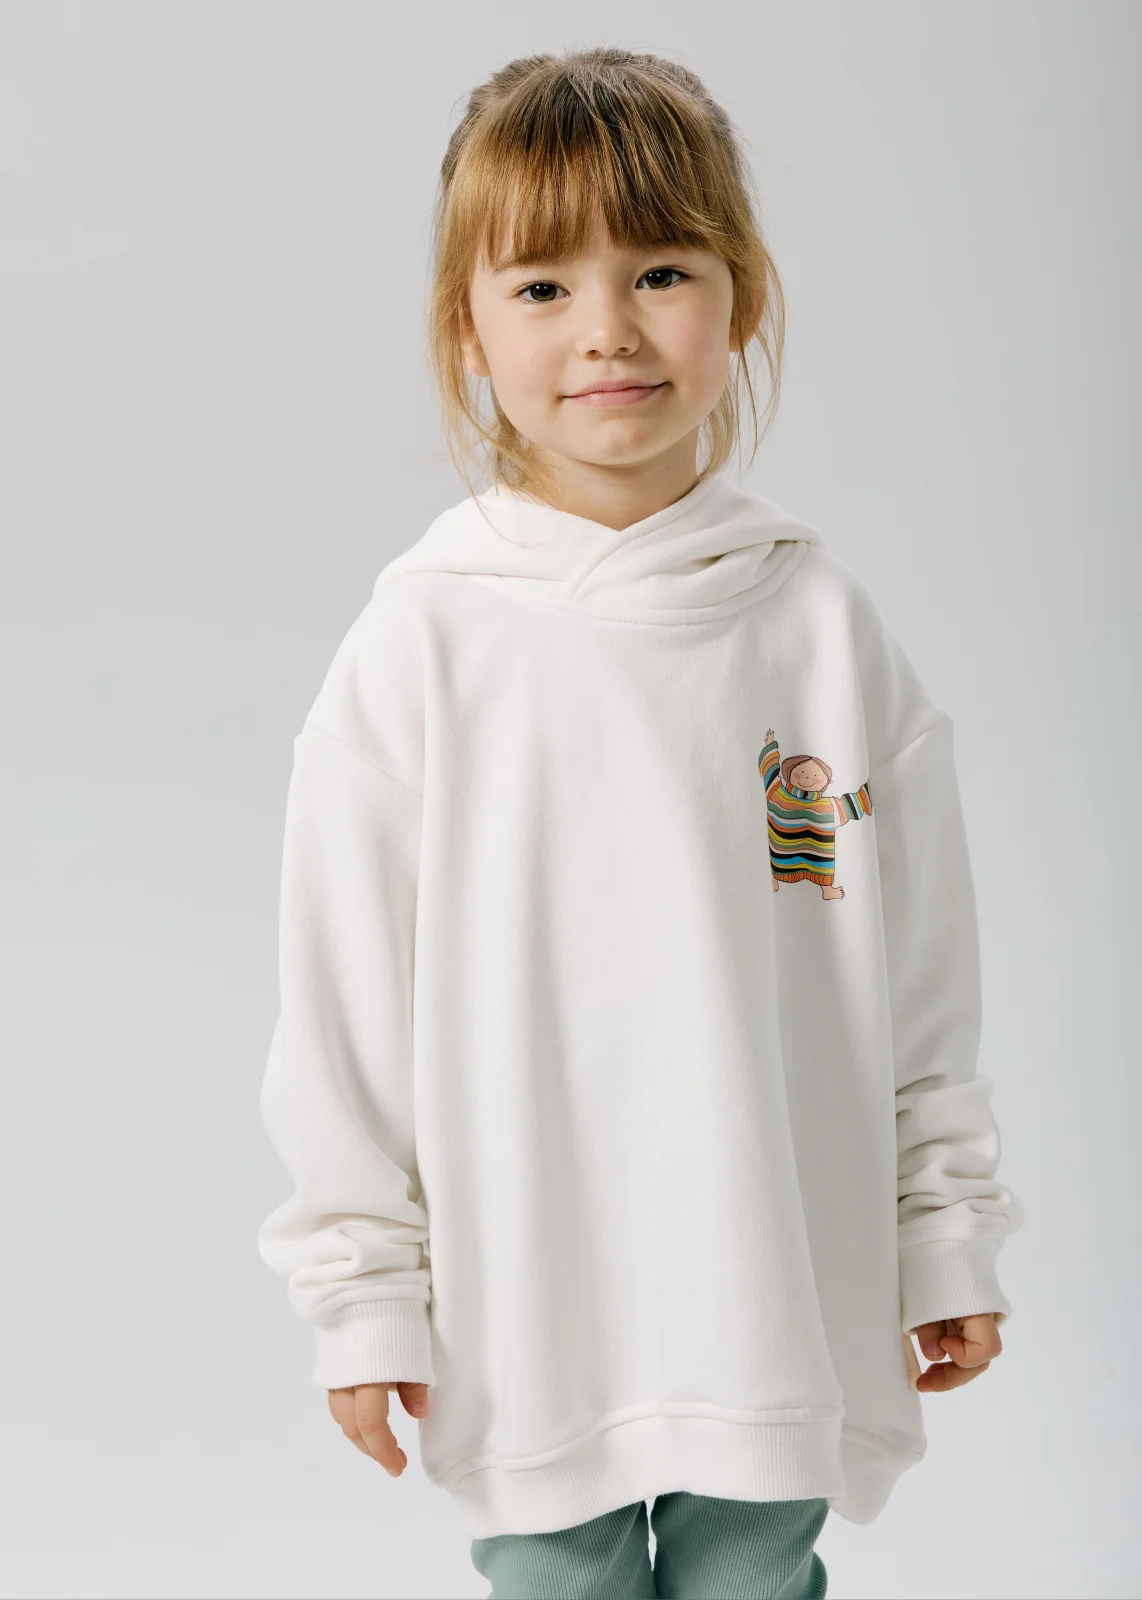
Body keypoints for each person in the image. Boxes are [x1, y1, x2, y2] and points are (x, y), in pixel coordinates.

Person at [256, 47, 1024, 1600]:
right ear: (466, 332)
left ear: (740, 300)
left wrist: (939, 1230)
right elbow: (340, 1014)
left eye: (659, 271)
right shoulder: (422, 645)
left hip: (774, 1282)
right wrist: (362, 1293)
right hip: (526, 1299)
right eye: (541, 285)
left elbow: (917, 976)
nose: (606, 327)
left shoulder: (818, 628)